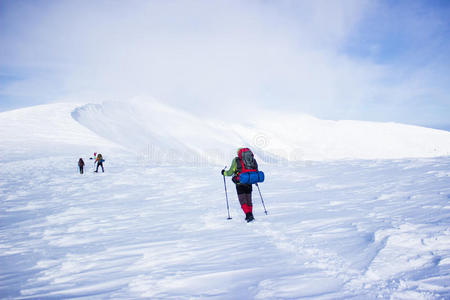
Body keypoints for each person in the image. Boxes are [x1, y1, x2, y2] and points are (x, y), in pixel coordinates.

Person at [222, 148, 258, 222]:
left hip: (239, 182)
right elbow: (255, 170)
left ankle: (248, 215)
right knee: (249, 199)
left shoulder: (236, 160)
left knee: (242, 200)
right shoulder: (252, 159)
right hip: (249, 181)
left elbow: (230, 172)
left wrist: (224, 173)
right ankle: (250, 214)